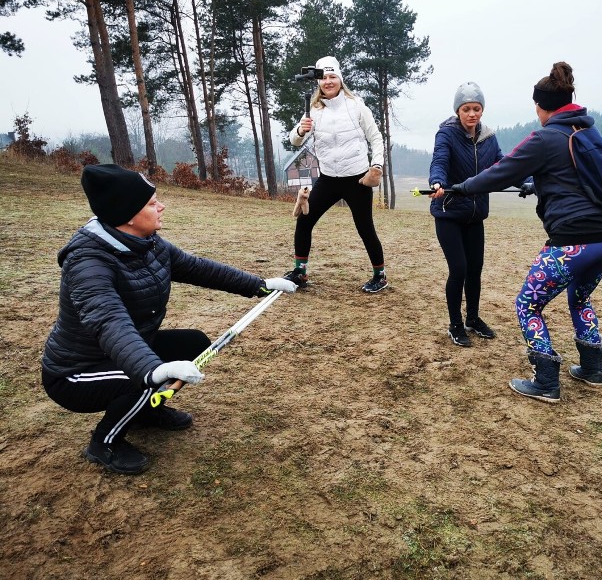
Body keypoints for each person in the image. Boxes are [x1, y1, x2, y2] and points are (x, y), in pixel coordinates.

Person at [41, 164, 297, 475]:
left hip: (122, 352)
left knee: (194, 345)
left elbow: (196, 267)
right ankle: (104, 443)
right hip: (76, 372)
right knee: (146, 379)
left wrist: (259, 284)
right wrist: (151, 369)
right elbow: (108, 320)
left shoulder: (146, 242)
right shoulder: (88, 262)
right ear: (128, 215)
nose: (160, 206)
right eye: (151, 203)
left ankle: (145, 413)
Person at [448, 61, 602, 403]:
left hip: (575, 241)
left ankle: (545, 380)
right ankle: (592, 368)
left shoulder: (546, 136)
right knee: (580, 296)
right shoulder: (587, 132)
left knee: (528, 304)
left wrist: (464, 187)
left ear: (542, 107)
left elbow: (501, 171)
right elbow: (574, 180)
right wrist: (538, 184)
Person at [287, 56, 388, 293]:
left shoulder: (357, 106)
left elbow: (376, 138)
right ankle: (300, 273)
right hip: (328, 179)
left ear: (340, 79)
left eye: (333, 77)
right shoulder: (314, 110)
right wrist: (301, 129)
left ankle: (380, 276)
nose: (328, 82)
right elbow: (295, 139)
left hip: (357, 179)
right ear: (319, 82)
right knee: (304, 219)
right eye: (324, 77)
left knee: (365, 227)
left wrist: (377, 166)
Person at [428, 82, 503, 347]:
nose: (472, 114)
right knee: (458, 268)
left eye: (477, 108)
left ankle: (473, 318)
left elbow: (502, 166)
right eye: (467, 109)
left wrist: (524, 179)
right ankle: (455, 324)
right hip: (448, 212)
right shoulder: (446, 134)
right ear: (458, 110)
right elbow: (439, 161)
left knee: (475, 270)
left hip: (475, 215)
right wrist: (437, 181)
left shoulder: (489, 138)